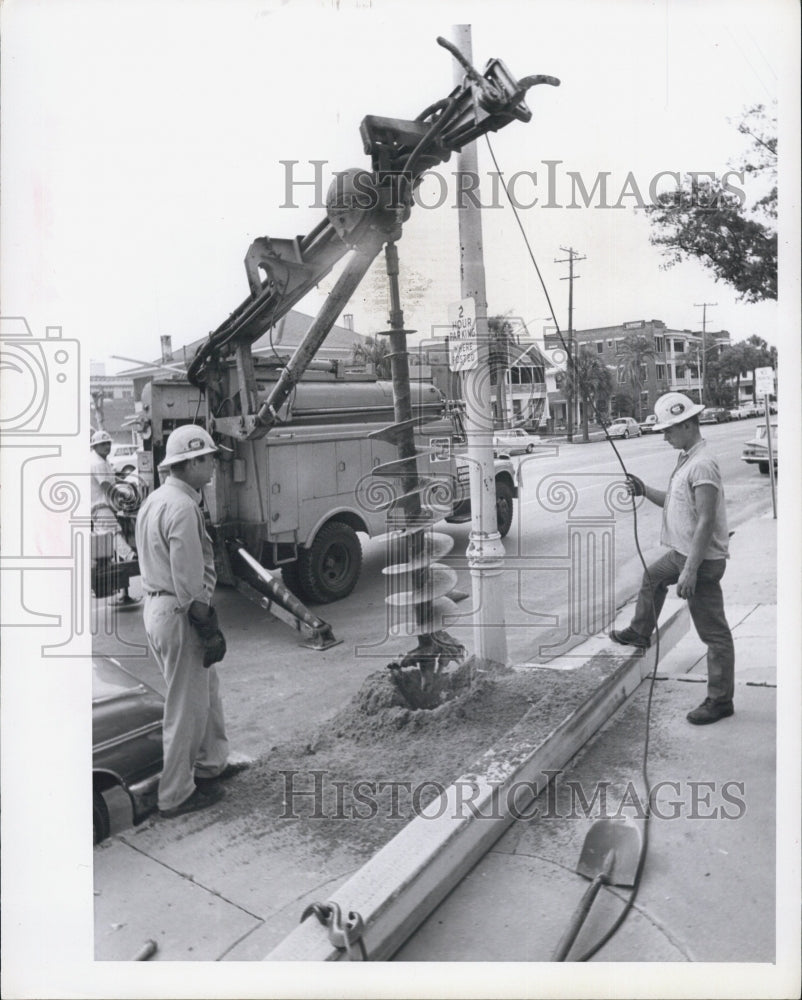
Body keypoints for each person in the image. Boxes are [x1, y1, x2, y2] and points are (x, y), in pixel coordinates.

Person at [135, 424, 248, 819]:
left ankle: (212, 763)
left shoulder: (157, 499)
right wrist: (208, 625)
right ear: (191, 461)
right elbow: (188, 581)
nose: (215, 464)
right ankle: (176, 794)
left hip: (159, 606)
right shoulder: (182, 507)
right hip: (179, 610)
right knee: (186, 706)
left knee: (206, 691)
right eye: (209, 458)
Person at [611, 392, 735, 726]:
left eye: (669, 429)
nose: (664, 435)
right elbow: (677, 502)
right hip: (682, 556)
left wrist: (690, 572)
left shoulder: (703, 463)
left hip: (701, 561)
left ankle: (720, 700)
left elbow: (706, 521)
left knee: (713, 633)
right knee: (652, 576)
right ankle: (640, 631)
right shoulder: (688, 458)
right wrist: (643, 490)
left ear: (688, 424)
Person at [90, 429, 138, 606]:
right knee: (113, 532)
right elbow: (106, 486)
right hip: (100, 506)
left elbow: (110, 480)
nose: (107, 447)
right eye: (103, 444)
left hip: (100, 506)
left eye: (108, 443)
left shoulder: (101, 460)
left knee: (104, 541)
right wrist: (125, 496)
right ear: (95, 446)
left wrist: (121, 484)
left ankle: (111, 574)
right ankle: (130, 556)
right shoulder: (97, 463)